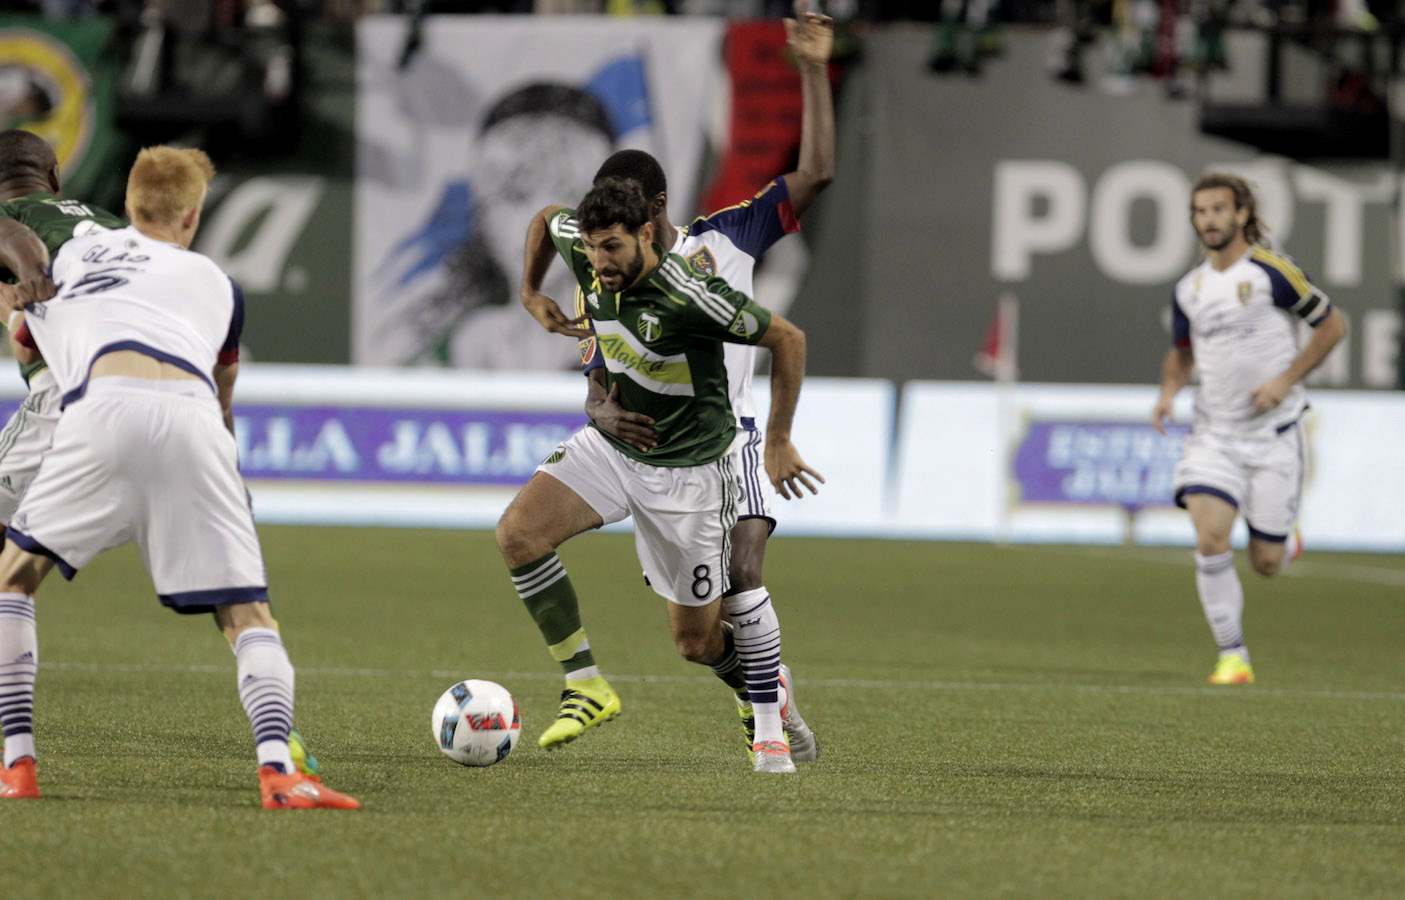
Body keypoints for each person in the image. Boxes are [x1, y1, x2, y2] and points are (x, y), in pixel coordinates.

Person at [519, 0, 834, 763]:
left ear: (653, 213)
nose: (601, 239)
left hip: (734, 439)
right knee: (694, 640)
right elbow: (560, 243)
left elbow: (816, 171)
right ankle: (755, 685)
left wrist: (814, 73)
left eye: (621, 218)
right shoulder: (602, 255)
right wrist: (588, 388)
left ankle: (767, 728)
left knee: (742, 575)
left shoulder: (728, 236)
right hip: (642, 442)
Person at [0, 145, 358, 808]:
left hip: (89, 403)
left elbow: (23, 318)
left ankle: (16, 762)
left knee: (12, 576)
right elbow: (223, 394)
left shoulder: (62, 246)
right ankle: (281, 765)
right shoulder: (210, 277)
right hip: (194, 422)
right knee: (246, 611)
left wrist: (26, 290)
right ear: (191, 216)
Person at [496, 177, 816, 773]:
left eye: (611, 247)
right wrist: (530, 291)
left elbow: (787, 339)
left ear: (646, 233)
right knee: (518, 533)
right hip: (615, 448)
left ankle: (764, 692)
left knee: (696, 644)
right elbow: (545, 216)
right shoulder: (590, 256)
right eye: (591, 248)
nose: (598, 262)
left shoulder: (690, 294)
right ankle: (587, 685)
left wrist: (776, 440)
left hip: (690, 474)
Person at [1151, 172, 1346, 685]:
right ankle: (1232, 656)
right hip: (1213, 435)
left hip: (1273, 435)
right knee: (1210, 536)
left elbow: (1333, 326)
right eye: (1200, 211)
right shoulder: (1188, 289)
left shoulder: (1272, 272)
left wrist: (1285, 379)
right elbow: (1181, 354)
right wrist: (1169, 393)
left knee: (1265, 562)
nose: (1208, 220)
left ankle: (1284, 536)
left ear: (1241, 214)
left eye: (1218, 209)